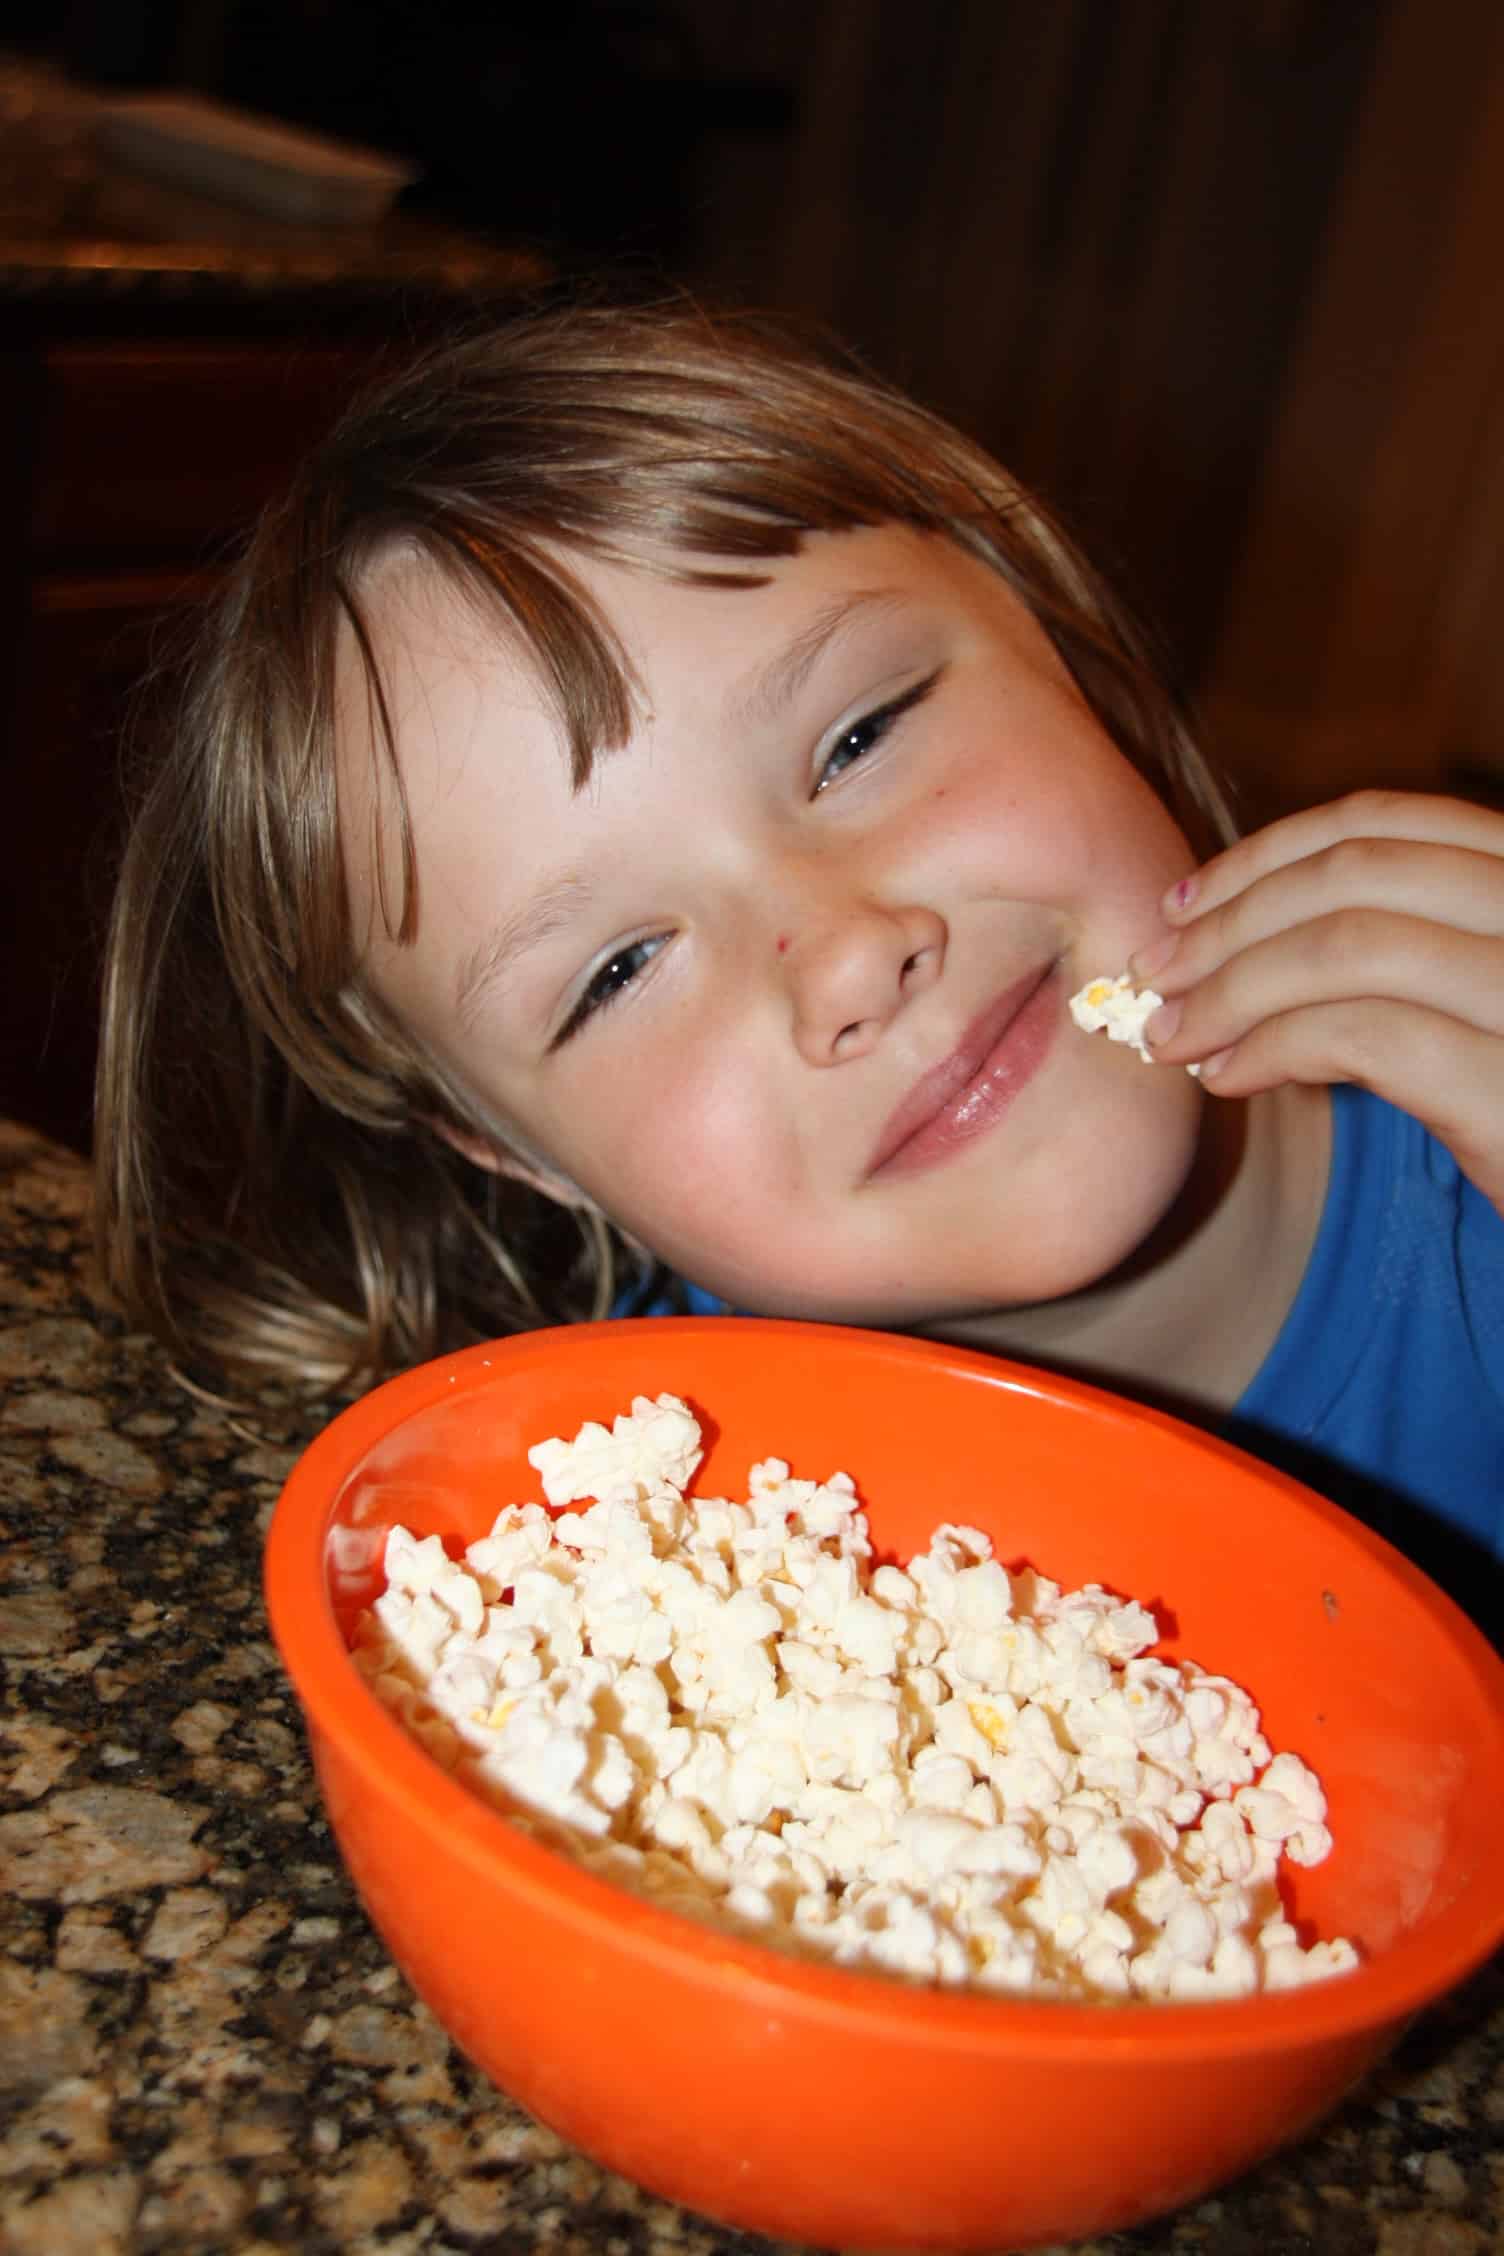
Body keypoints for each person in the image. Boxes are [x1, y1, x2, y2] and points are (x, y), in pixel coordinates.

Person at [94, 297, 1504, 1625]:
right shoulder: (649, 1526)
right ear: (522, 1156)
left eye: (860, 736)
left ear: (1062, 640)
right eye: (616, 971)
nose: (845, 958)